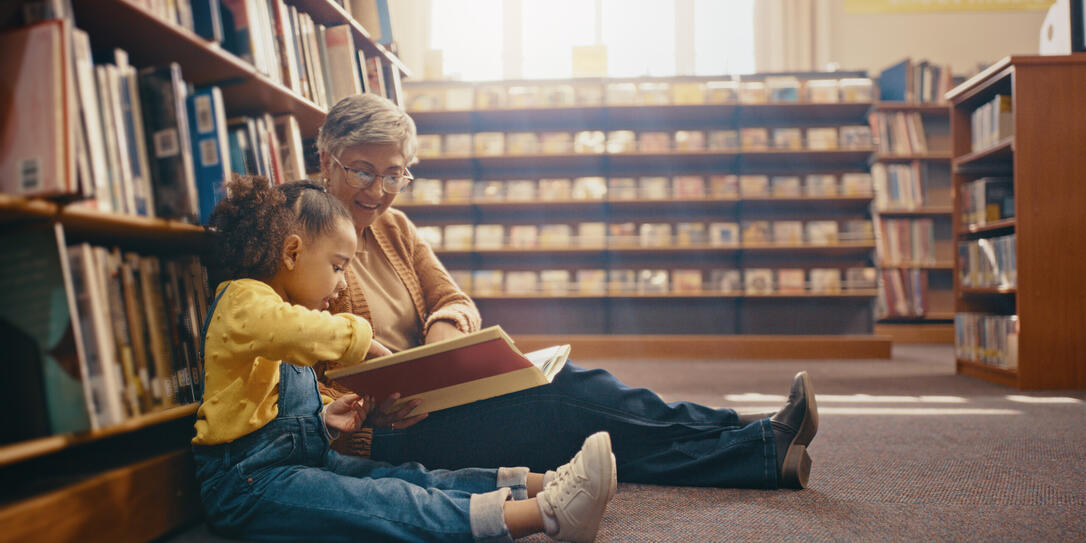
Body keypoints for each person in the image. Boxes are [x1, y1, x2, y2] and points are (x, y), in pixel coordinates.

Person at [314, 93, 819, 490]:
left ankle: (751, 442)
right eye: (362, 170)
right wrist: (367, 413)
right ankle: (748, 438)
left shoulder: (395, 227)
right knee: (564, 399)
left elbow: (453, 300)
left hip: (446, 397)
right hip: (386, 432)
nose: (377, 190)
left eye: (394, 174)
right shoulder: (301, 238)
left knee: (570, 402)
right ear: (326, 159)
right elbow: (296, 366)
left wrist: (437, 351)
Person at [190, 175, 618, 543]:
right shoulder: (244, 299)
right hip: (246, 483)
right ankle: (548, 516)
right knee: (387, 502)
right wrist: (367, 341)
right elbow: (300, 333)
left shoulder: (280, 310)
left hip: (298, 461)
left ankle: (539, 485)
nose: (340, 287)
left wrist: (324, 416)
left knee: (405, 476)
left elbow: (267, 402)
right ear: (291, 253)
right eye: (338, 267)